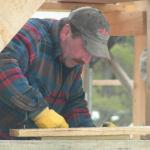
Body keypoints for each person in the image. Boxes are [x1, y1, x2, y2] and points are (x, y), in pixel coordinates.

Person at [0, 6, 110, 139]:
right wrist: (38, 110)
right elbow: (3, 65)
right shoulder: (33, 34)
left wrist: (95, 136)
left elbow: (74, 105)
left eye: (92, 54)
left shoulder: (73, 58)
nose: (86, 60)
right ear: (66, 31)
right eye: (86, 48)